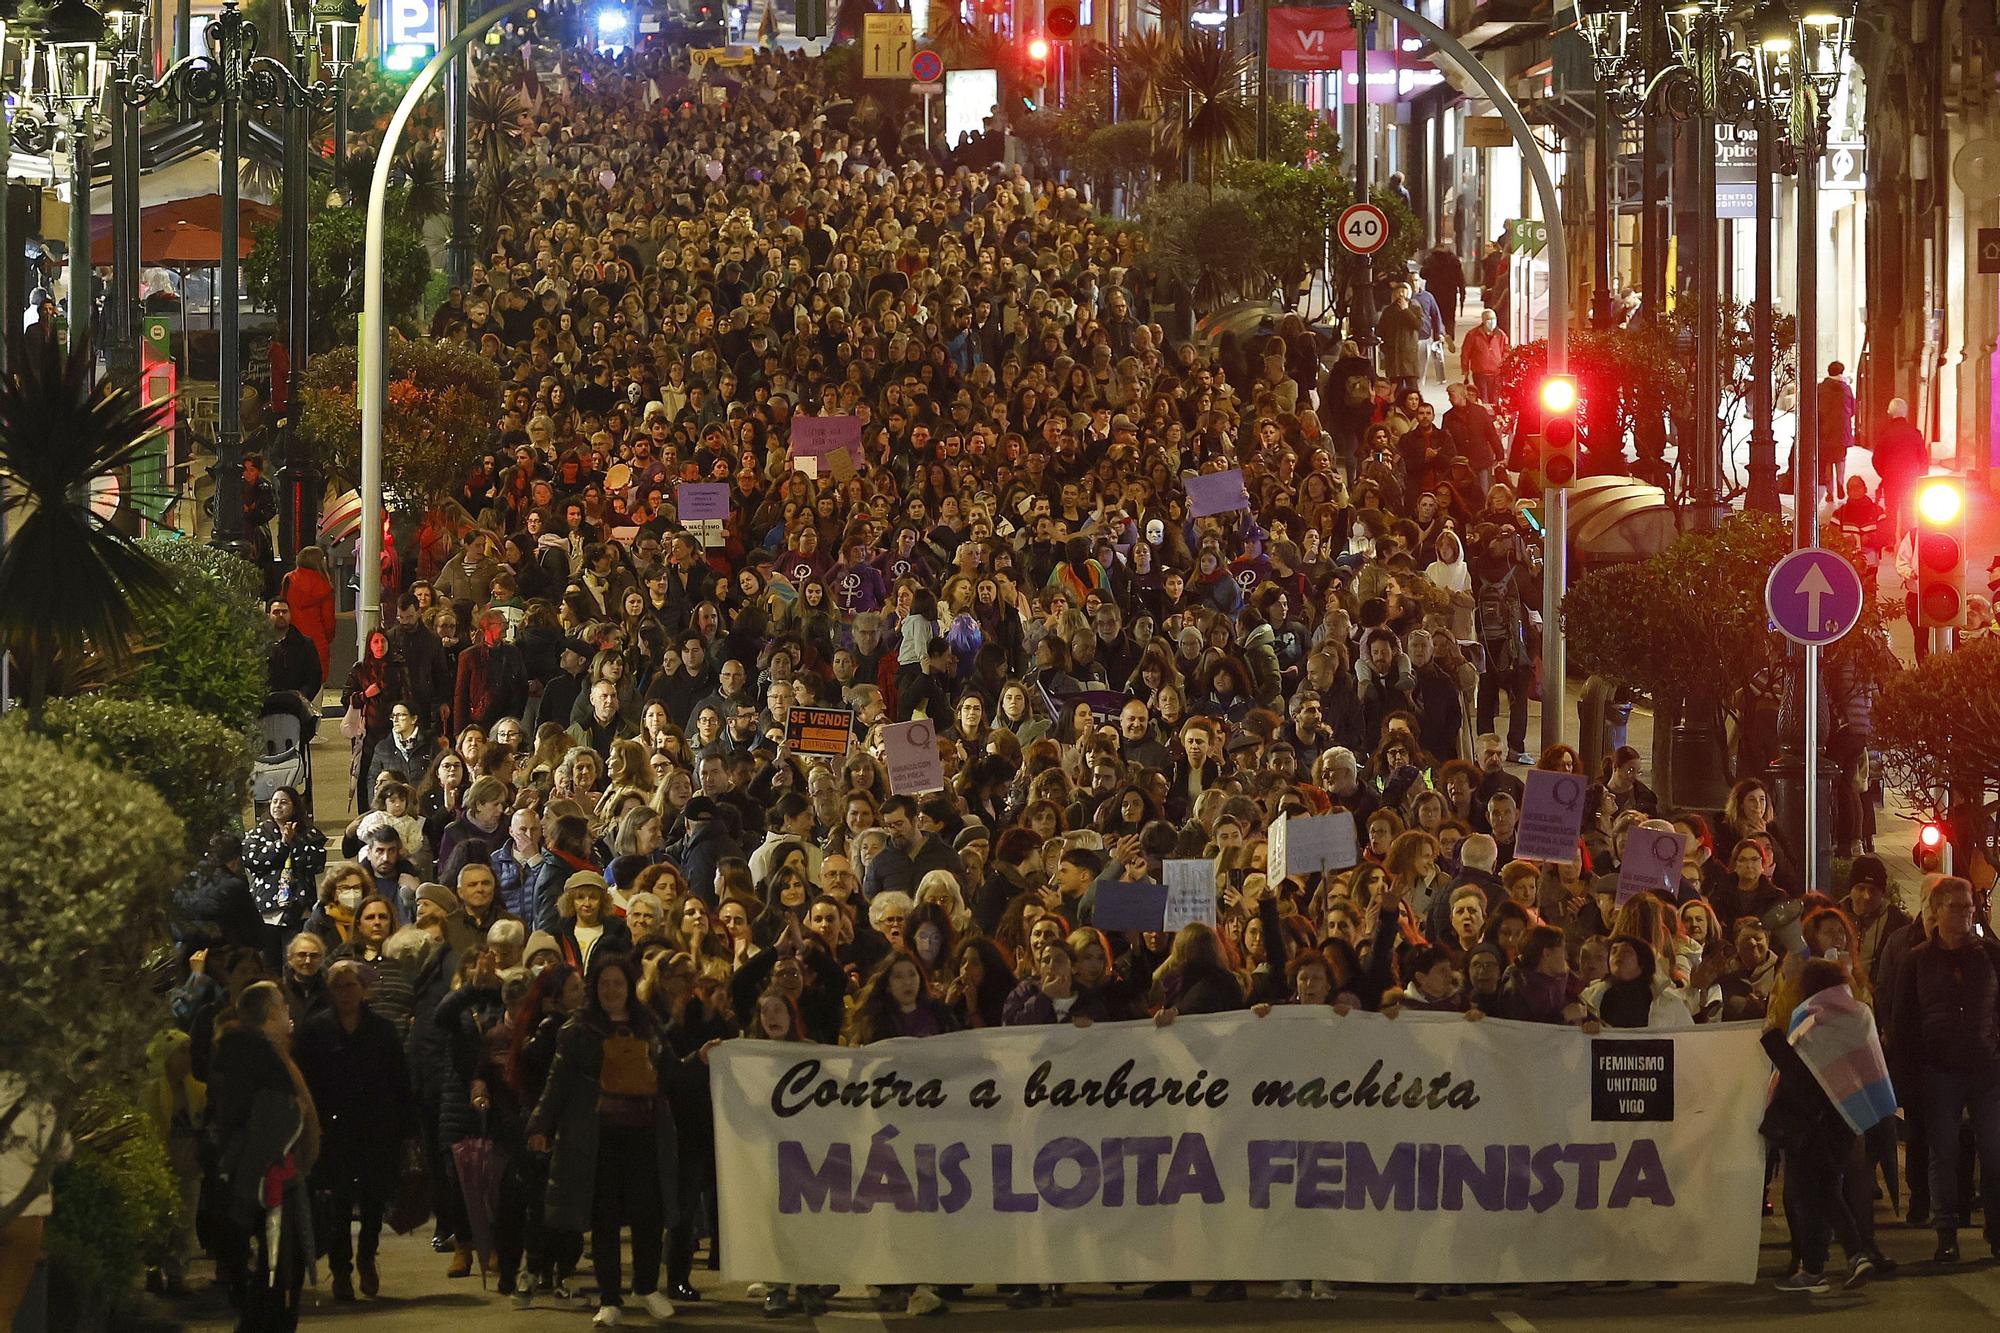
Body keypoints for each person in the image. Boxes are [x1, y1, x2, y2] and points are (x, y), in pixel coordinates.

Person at [528, 953, 681, 1327]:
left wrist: (703, 1058)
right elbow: (557, 1082)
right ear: (594, 988)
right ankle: (610, 1298)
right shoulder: (578, 1030)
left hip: (645, 1133)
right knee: (605, 1218)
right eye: (604, 984)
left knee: (649, 1214)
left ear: (630, 987)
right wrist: (539, 1126)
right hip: (596, 1137)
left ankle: (646, 1286)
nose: (612, 990)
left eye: (619, 983)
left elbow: (672, 1072)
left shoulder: (649, 1025)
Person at [1888, 875, 2000, 1264]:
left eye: (1969, 908)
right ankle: (1946, 1231)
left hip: (1986, 1067)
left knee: (1994, 1150)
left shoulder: (1989, 954)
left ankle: (1997, 1230)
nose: (1965, 915)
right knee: (1944, 1153)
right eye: (1956, 908)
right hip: (1938, 1070)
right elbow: (1903, 1024)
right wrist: (1906, 1081)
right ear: (1936, 912)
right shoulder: (1917, 960)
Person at [294, 959, 414, 1301]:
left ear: (363, 989)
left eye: (350, 986)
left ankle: (367, 1258)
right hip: (335, 1128)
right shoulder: (316, 1030)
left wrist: (406, 1128)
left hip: (376, 1127)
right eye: (338, 987)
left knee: (374, 1200)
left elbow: (399, 1080)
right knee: (338, 1203)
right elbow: (305, 1080)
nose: (345, 993)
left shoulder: (382, 1030)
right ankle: (342, 1271)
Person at [206, 980, 318, 1331]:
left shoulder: (261, 1049)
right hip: (270, 1182)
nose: (288, 1011)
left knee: (281, 1273)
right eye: (283, 1005)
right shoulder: (256, 1052)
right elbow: (269, 1123)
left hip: (271, 1179)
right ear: (272, 1012)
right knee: (278, 1273)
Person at [1870, 397, 1929, 538]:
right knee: (1908, 509)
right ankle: (1906, 539)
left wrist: (1884, 474)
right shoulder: (1915, 433)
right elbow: (1923, 457)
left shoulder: (1886, 433)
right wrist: (1921, 475)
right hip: (1910, 478)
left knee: (1891, 509)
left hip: (1891, 478)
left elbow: (1876, 459)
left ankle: (1890, 540)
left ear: (1890, 413)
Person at [266, 598, 324, 698]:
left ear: (290, 614)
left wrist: (301, 696)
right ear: (268, 615)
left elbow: (314, 677)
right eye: (276, 612)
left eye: (284, 612)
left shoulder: (305, 644)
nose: (281, 615)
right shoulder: (258, 644)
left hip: (297, 704)